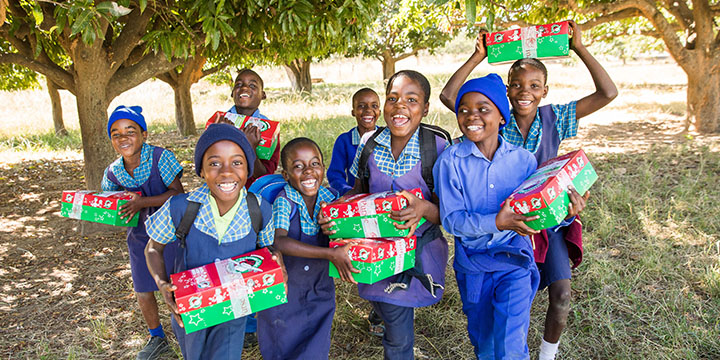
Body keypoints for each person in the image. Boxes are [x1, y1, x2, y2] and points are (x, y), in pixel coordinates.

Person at [439, 21, 611, 359]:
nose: (524, 92)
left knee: (557, 295)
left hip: (543, 222)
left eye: (534, 85)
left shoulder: (553, 119)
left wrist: (578, 47)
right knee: (495, 321)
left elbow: (607, 94)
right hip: (495, 234)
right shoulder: (487, 122)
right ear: (505, 92)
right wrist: (479, 56)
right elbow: (452, 97)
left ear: (545, 90)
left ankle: (543, 354)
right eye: (516, 85)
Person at [320, 70, 449, 360]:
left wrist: (423, 208)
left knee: (398, 333)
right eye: (393, 98)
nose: (400, 106)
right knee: (388, 311)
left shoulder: (437, 146)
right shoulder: (370, 143)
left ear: (426, 108)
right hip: (375, 254)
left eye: (411, 99)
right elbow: (357, 194)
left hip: (418, 252)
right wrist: (337, 216)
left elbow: (452, 214)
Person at [144, 124, 276, 359]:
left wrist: (277, 267)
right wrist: (162, 283)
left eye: (237, 162)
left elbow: (267, 251)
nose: (226, 172)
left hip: (234, 312)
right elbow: (153, 248)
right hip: (190, 313)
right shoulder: (181, 208)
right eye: (214, 163)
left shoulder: (258, 209)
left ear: (247, 168)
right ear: (201, 171)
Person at [256, 137, 357, 360]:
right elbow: (280, 241)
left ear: (323, 167)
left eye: (315, 164)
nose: (309, 172)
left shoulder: (329, 198)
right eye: (298, 166)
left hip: (319, 288)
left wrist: (336, 222)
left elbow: (350, 223)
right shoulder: (285, 201)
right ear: (286, 175)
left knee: (316, 343)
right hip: (284, 293)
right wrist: (330, 254)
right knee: (282, 342)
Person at [101, 105, 184, 360]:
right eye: (116, 133)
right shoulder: (113, 172)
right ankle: (156, 337)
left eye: (130, 131)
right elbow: (114, 207)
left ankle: (185, 333)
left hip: (170, 234)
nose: (123, 138)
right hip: (139, 236)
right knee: (143, 288)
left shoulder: (162, 158)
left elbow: (178, 195)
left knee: (174, 285)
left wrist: (142, 203)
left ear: (144, 134)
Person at [216, 68, 282, 344]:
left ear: (262, 94)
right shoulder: (221, 123)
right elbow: (210, 165)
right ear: (232, 91)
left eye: (253, 85)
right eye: (239, 84)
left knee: (253, 257)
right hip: (222, 203)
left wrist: (248, 146)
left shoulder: (269, 129)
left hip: (254, 204)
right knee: (225, 256)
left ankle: (253, 324)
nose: (245, 88)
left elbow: (265, 174)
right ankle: (229, 318)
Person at [327, 88, 380, 195]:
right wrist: (347, 191)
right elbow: (335, 174)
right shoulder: (344, 141)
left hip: (384, 196)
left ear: (380, 111)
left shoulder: (388, 137)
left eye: (374, 106)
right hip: (356, 198)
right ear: (353, 112)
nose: (368, 110)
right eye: (361, 106)